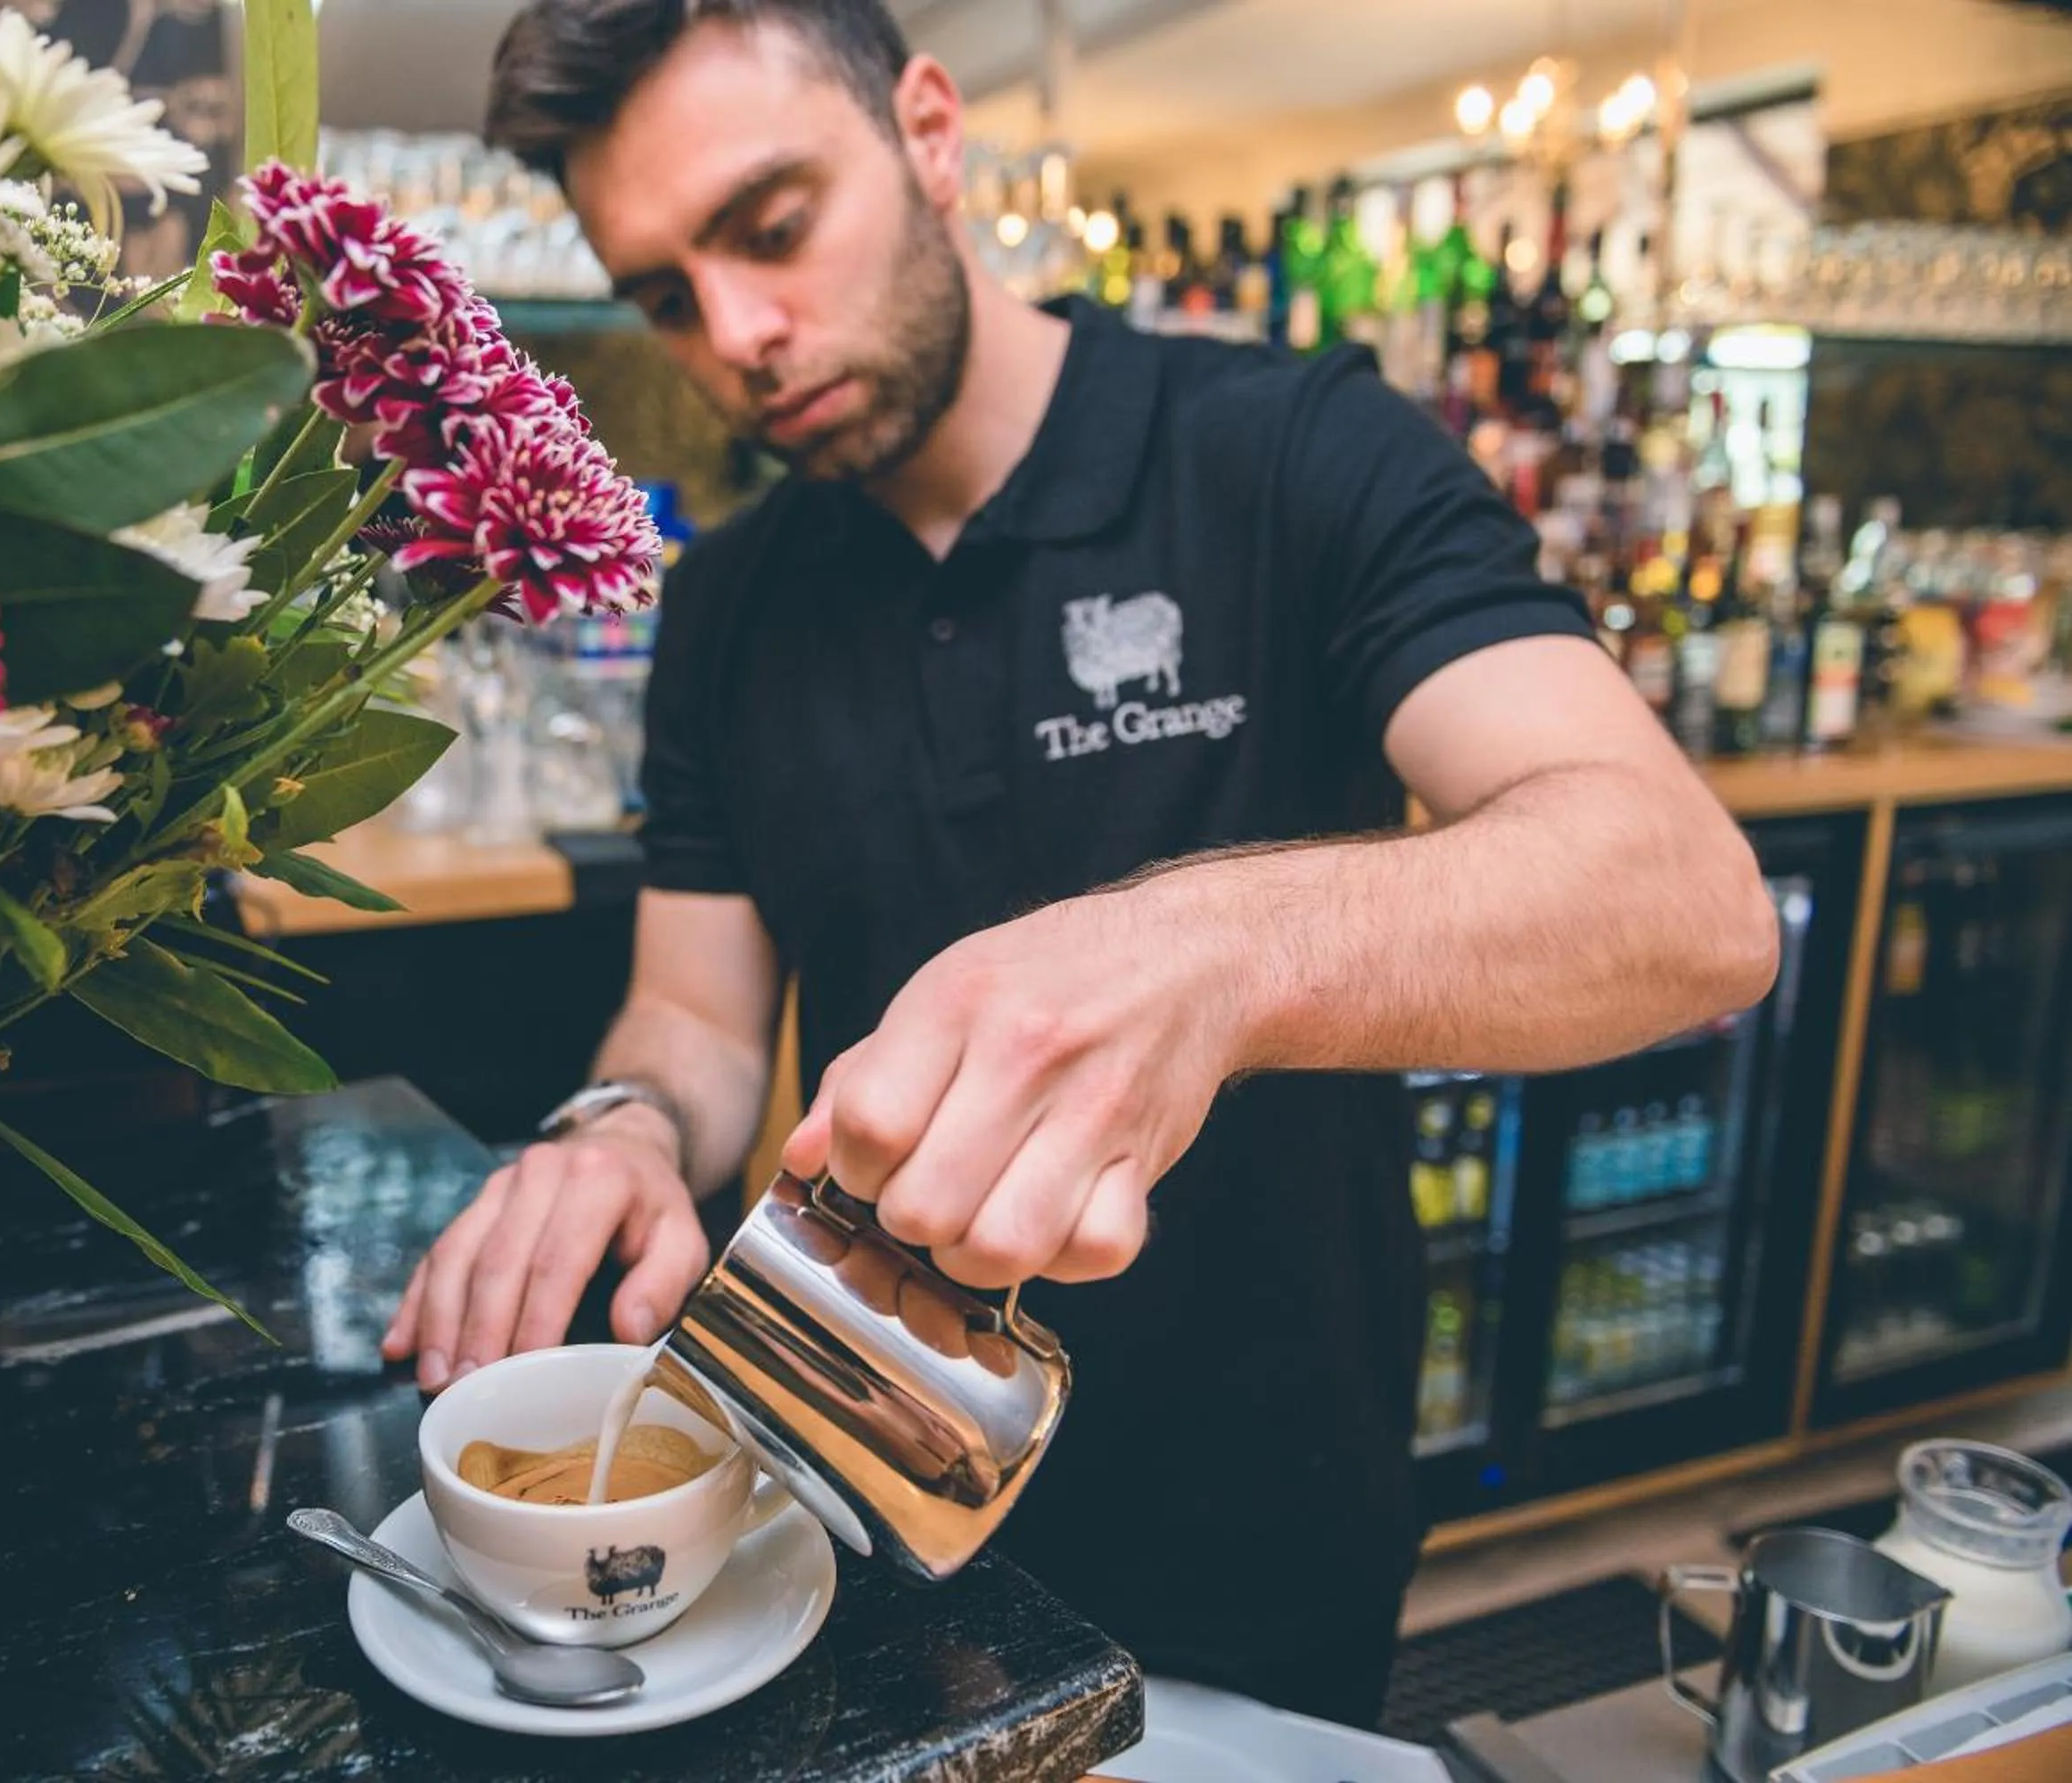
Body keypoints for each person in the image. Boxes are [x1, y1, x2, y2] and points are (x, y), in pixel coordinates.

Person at [381, 0, 1779, 1729]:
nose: (737, 336)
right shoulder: (732, 602)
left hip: (1268, 1501)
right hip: (849, 1510)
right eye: (667, 295)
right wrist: (627, 1124)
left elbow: (1685, 899)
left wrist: (1215, 953)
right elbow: (695, 1015)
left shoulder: (1290, 449)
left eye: (774, 226)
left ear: (931, 134)